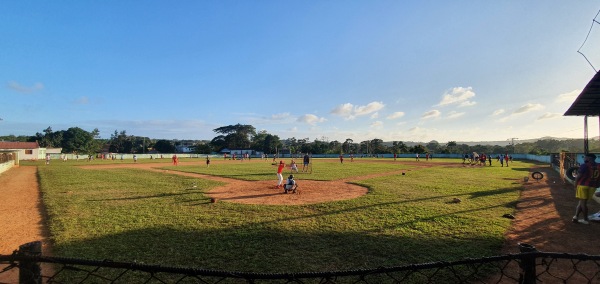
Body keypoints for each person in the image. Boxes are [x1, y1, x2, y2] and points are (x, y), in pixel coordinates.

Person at [573, 154, 600, 224]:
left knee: (583, 203)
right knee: (582, 201)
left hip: (583, 185)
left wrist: (575, 185)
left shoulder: (584, 165)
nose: (584, 158)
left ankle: (585, 219)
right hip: (592, 186)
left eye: (585, 157)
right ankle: (576, 216)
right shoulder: (599, 165)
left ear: (589, 158)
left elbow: (578, 176)